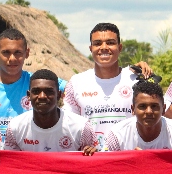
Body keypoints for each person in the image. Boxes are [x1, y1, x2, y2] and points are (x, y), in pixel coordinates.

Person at [63, 23, 150, 151]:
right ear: (90, 48)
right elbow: (68, 125)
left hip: (130, 158)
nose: (104, 47)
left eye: (110, 42)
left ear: (120, 47)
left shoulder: (137, 80)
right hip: (92, 161)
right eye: (98, 43)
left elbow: (153, 120)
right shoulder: (76, 83)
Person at [0, 28, 67, 136]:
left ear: (27, 53)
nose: (12, 58)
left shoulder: (40, 83)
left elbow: (74, 88)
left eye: (18, 52)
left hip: (28, 150)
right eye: (6, 52)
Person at [4, 69, 96, 155]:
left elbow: (95, 162)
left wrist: (93, 153)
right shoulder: (15, 127)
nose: (42, 96)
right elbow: (10, 163)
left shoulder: (81, 127)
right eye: (36, 91)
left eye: (49, 91)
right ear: (28, 95)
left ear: (59, 95)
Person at [103, 80, 172, 151]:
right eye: (142, 106)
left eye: (154, 106)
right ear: (133, 109)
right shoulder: (117, 135)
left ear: (163, 109)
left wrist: (149, 159)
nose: (149, 111)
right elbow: (109, 169)